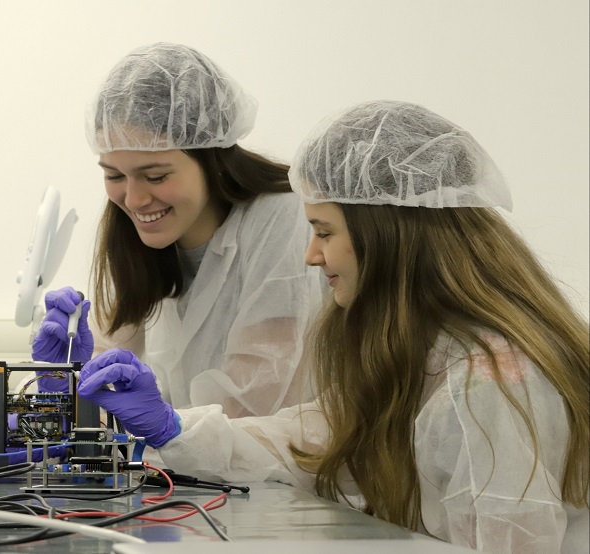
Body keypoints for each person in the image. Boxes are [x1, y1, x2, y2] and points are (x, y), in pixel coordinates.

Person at [76, 100, 589, 553]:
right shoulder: (419, 349)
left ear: (386, 236)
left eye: (323, 231)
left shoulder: (485, 380)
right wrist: (175, 429)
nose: (310, 255)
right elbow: (308, 440)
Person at [29, 41, 325, 417]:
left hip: (280, 472)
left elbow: (256, 400)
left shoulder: (283, 218)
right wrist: (61, 393)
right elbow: (107, 355)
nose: (134, 200)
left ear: (211, 155)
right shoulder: (139, 238)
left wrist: (159, 426)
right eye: (114, 175)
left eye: (155, 175)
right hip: (196, 468)